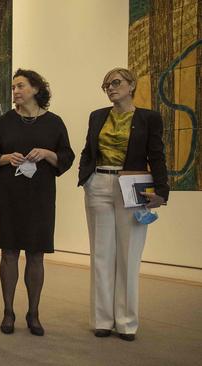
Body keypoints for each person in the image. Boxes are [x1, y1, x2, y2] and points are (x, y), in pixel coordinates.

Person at [78, 67, 168, 342]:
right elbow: (87, 150)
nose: (110, 88)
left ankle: (127, 322)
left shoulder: (148, 118)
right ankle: (102, 319)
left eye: (115, 82)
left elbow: (157, 154)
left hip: (132, 187)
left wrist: (162, 191)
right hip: (99, 185)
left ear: (131, 85)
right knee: (101, 255)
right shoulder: (97, 117)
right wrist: (86, 176)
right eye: (105, 84)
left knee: (129, 256)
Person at [0, 69, 74, 337]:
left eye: (20, 86)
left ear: (36, 89)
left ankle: (33, 313)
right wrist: (5, 158)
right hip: (9, 196)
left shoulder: (54, 123)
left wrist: (47, 153)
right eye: (13, 87)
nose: (15, 92)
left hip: (40, 197)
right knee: (8, 253)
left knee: (36, 255)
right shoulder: (4, 122)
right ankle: (8, 312)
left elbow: (66, 157)